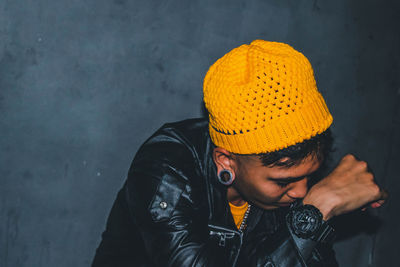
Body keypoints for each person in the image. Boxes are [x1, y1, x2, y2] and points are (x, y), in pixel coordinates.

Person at [91, 40, 387, 266]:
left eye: (310, 177)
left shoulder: (287, 187)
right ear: (226, 160)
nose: (301, 192)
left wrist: (316, 218)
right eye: (283, 182)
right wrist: (317, 210)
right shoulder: (167, 172)